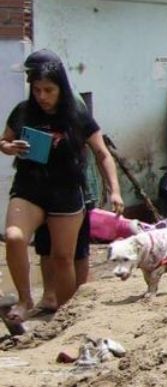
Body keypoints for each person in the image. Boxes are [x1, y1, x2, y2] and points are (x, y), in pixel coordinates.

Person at [3, 52, 121, 329]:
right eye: (37, 90)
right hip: (29, 187)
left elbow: (102, 153)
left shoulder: (76, 114)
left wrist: (114, 190)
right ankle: (25, 300)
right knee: (14, 237)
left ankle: (66, 316)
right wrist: (9, 147)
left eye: (48, 90)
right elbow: (4, 140)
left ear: (61, 88)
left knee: (63, 257)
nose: (42, 96)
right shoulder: (23, 111)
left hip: (66, 191)